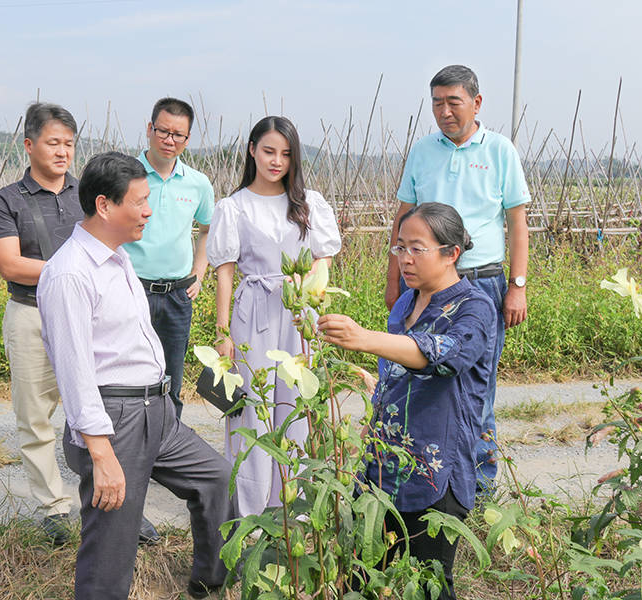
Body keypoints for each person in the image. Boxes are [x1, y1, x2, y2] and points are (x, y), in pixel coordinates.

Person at [37, 151, 237, 600]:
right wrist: (101, 452)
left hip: (156, 410)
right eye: (140, 201)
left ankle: (209, 584)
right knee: (112, 546)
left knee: (216, 479)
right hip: (115, 418)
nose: (149, 211)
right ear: (105, 206)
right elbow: (74, 371)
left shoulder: (118, 255)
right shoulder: (70, 273)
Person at [320, 202, 496, 600]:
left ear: (451, 253)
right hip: (381, 468)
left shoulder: (475, 307)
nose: (405, 259)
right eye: (400, 248)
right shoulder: (405, 303)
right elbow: (394, 375)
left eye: (417, 248)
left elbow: (443, 356)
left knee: (431, 583)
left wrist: (362, 338)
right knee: (362, 576)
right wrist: (366, 390)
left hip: (436, 472)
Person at [383, 65, 530, 492]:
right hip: (425, 284)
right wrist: (394, 276)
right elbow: (403, 219)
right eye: (437, 102)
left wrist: (517, 286)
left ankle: (478, 486)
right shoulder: (423, 151)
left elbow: (517, 222)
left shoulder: (500, 151)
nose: (444, 111)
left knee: (475, 390)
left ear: (476, 103)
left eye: (453, 102)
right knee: (417, 383)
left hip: (479, 282)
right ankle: (423, 480)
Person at [207, 116, 341, 516]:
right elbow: (226, 272)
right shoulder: (233, 207)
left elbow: (323, 258)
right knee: (254, 403)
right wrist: (222, 332)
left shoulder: (307, 203)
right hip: (255, 311)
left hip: (299, 312)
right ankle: (249, 508)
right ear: (252, 150)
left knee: (297, 399)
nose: (276, 161)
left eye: (285, 154)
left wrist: (311, 301)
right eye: (268, 151)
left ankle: (294, 509)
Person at [0, 102, 81, 544]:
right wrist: (78, 271)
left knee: (100, 410)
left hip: (85, 315)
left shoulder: (90, 194)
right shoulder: (5, 201)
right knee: (35, 415)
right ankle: (55, 507)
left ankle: (112, 503)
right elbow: (11, 265)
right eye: (53, 142)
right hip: (31, 314)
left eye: (69, 144)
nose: (63, 152)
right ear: (29, 145)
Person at [124, 97, 214, 423]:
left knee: (171, 380)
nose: (169, 140)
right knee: (128, 377)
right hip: (132, 289)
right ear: (150, 129)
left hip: (178, 294)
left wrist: (199, 273)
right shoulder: (126, 175)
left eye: (179, 135)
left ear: (187, 140)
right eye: (163, 131)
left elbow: (207, 230)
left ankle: (167, 449)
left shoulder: (198, 183)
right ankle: (129, 445)